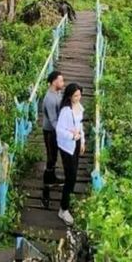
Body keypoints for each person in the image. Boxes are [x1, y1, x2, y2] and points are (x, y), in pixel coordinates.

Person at [55, 82, 85, 226]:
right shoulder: (66, 111)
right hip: (67, 147)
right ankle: (63, 209)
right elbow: (59, 130)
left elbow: (80, 125)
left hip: (76, 144)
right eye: (75, 96)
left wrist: (82, 141)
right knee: (70, 177)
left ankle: (68, 200)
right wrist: (72, 137)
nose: (78, 98)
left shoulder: (79, 107)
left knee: (73, 175)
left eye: (79, 95)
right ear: (69, 96)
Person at [42, 70, 65, 187]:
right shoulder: (50, 99)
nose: (63, 83)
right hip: (50, 131)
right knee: (51, 156)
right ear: (54, 82)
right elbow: (53, 119)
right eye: (61, 81)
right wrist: (62, 132)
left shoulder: (57, 93)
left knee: (53, 155)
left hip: (54, 130)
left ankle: (51, 178)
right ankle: (48, 180)